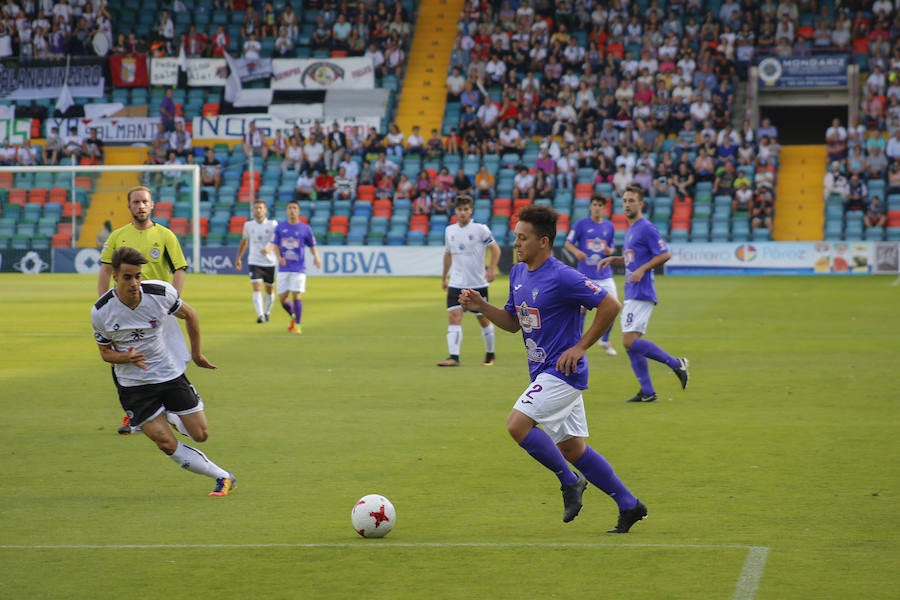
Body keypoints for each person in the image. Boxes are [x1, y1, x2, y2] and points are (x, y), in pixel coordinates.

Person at [458, 204, 648, 534]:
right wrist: (482, 306)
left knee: (516, 425)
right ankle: (630, 505)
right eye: (516, 237)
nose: (516, 244)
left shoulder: (563, 276)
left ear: (543, 242)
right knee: (572, 448)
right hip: (542, 372)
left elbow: (610, 305)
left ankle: (570, 481)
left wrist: (580, 347)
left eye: (523, 238)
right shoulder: (518, 273)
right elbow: (514, 323)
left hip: (563, 373)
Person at [91, 247, 236, 497]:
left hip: (168, 374)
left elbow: (190, 314)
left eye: (138, 276)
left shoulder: (159, 293)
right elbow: (105, 353)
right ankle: (222, 476)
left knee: (201, 435)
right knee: (165, 442)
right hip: (133, 385)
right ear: (115, 277)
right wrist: (126, 357)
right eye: (128, 277)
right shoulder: (102, 311)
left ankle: (170, 413)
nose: (135, 283)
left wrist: (197, 354)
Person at [98, 185, 189, 433]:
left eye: (144, 202)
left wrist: (174, 300)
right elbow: (106, 269)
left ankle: (171, 409)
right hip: (124, 309)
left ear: (152, 205)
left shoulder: (166, 235)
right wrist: (104, 301)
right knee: (121, 360)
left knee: (169, 358)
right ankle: (132, 414)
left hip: (157, 310)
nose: (140, 206)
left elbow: (179, 268)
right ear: (129, 206)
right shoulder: (118, 236)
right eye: (136, 202)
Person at [598, 184, 689, 403]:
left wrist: (641, 270)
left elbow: (664, 254)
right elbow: (633, 259)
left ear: (641, 204)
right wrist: (615, 260)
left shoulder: (646, 227)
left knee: (628, 341)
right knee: (631, 344)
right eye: (625, 201)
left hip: (642, 292)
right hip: (632, 291)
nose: (627, 205)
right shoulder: (631, 230)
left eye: (632, 201)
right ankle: (647, 391)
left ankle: (676, 363)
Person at [437, 195, 502, 367]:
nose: (463, 213)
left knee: (483, 319)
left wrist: (492, 268)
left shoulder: (481, 229)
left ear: (471, 210)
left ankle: (490, 354)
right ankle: (454, 357)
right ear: (455, 211)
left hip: (478, 283)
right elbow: (448, 254)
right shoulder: (449, 230)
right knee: (454, 316)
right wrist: (444, 277)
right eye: (460, 210)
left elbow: (495, 249)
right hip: (456, 283)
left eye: (466, 209)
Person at [564, 194, 618, 356]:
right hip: (585, 275)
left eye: (600, 205)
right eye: (594, 204)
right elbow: (568, 243)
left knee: (614, 307)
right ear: (590, 206)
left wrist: (611, 251)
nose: (597, 207)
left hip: (605, 274)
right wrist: (577, 252)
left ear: (604, 208)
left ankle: (604, 340)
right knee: (581, 310)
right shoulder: (581, 224)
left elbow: (612, 246)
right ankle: (579, 344)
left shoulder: (609, 226)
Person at [270, 200, 322, 334]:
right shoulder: (280, 228)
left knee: (296, 295)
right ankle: (293, 316)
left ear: (298, 211)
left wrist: (316, 256)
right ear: (286, 211)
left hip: (298, 268)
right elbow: (275, 245)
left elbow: (312, 245)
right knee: (282, 299)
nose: (292, 210)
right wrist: (279, 257)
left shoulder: (305, 228)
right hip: (283, 268)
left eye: (294, 208)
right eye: (290, 208)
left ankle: (298, 325)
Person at [235, 200, 278, 324]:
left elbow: (278, 240)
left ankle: (267, 312)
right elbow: (244, 241)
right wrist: (238, 257)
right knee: (256, 288)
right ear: (253, 210)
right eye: (256, 208)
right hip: (254, 261)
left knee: (269, 290)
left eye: (261, 208)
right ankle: (260, 316)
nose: (258, 210)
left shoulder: (272, 224)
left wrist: (270, 248)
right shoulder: (248, 225)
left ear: (265, 210)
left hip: (270, 262)